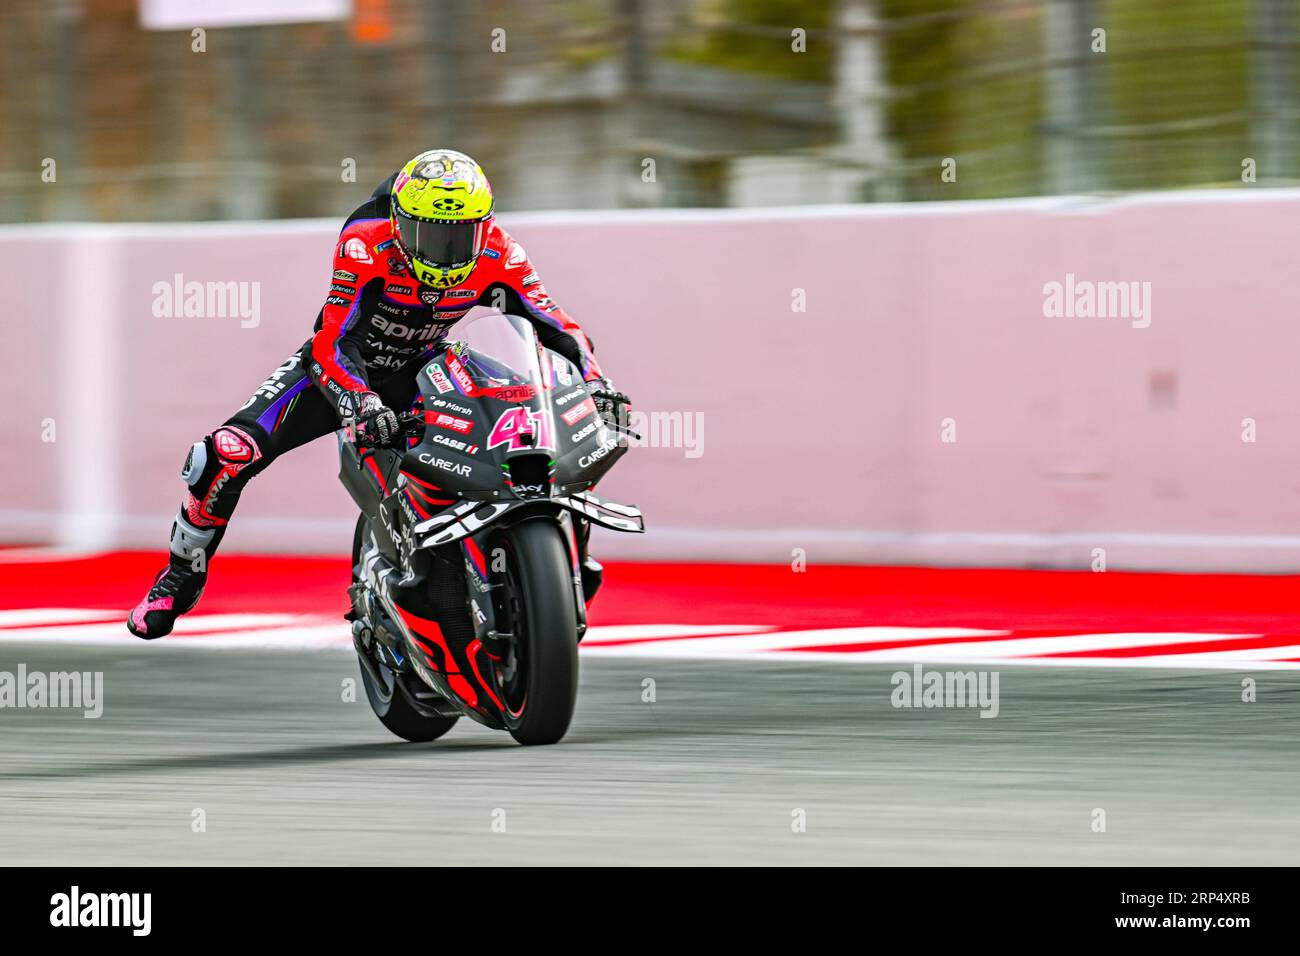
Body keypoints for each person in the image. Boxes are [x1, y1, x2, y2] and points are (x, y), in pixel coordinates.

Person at [128, 148, 626, 638]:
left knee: (529, 427)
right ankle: (182, 574)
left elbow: (556, 326)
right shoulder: (366, 242)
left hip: (429, 366)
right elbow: (332, 338)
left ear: (484, 225)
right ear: (400, 221)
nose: (444, 252)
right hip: (345, 371)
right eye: (429, 235)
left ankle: (567, 562)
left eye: (460, 236)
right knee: (222, 455)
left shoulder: (501, 251)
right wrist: (358, 401)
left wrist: (597, 383)